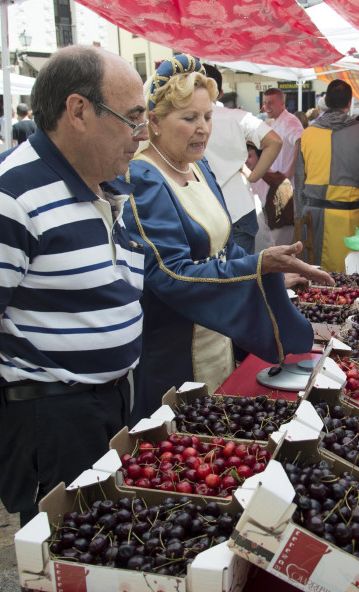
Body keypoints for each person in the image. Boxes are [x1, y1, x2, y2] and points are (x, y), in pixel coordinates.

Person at [0, 45, 149, 525]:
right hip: (54, 419)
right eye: (132, 120)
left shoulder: (102, 185)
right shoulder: (5, 198)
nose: (141, 138)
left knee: (108, 547)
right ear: (78, 111)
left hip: (110, 403)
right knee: (67, 557)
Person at [124, 56, 333, 423]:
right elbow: (169, 275)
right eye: (189, 118)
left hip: (218, 340)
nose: (203, 129)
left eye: (207, 117)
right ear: (154, 122)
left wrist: (269, 268)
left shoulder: (199, 167)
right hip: (175, 356)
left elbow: (222, 248)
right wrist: (256, 267)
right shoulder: (144, 179)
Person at [294, 79, 359, 271]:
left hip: (311, 217)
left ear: (326, 100)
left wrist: (300, 217)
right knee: (344, 279)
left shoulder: (308, 133)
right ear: (349, 103)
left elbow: (299, 180)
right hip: (345, 219)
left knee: (312, 278)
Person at [202, 64, 282, 254]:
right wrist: (253, 176)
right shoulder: (237, 117)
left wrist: (253, 176)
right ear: (220, 93)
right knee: (239, 276)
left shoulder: (178, 120)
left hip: (203, 211)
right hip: (237, 207)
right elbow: (275, 142)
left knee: (208, 277)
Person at [262, 88, 304, 187]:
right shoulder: (276, 121)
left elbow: (302, 142)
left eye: (271, 103)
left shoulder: (288, 121)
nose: (266, 107)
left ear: (282, 103)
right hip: (280, 183)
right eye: (265, 103)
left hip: (289, 186)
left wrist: (291, 171)